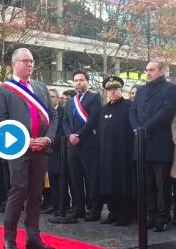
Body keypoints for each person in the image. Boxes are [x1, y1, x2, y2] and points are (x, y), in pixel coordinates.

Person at [0, 48, 58, 249]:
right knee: (19, 190)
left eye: (32, 61)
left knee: (36, 193)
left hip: (41, 148)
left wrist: (47, 139)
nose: (30, 64)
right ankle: (9, 238)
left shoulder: (40, 87)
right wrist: (26, 141)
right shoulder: (3, 90)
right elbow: (1, 122)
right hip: (19, 149)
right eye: (25, 61)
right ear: (14, 64)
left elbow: (53, 116)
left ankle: (33, 236)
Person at [129, 61, 176, 232]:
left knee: (161, 184)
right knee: (146, 184)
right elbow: (132, 110)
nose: (148, 73)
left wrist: (145, 128)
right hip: (142, 143)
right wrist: (137, 129)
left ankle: (163, 218)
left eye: (152, 70)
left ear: (162, 71)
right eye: (146, 70)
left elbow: (166, 112)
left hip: (160, 143)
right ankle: (151, 215)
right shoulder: (141, 90)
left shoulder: (170, 89)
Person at [62, 69, 102, 221]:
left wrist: (79, 135)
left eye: (81, 80)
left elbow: (92, 120)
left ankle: (94, 209)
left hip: (88, 144)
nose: (79, 82)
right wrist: (69, 135)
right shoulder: (71, 101)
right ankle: (79, 208)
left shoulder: (94, 97)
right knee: (75, 178)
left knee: (90, 177)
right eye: (76, 80)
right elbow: (65, 121)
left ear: (87, 81)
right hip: (72, 145)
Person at [98, 76, 134, 226]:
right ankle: (113, 212)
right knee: (109, 184)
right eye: (109, 90)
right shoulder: (104, 109)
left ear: (121, 90)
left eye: (115, 89)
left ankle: (125, 214)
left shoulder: (128, 106)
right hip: (107, 154)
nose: (112, 92)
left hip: (123, 153)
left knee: (123, 184)